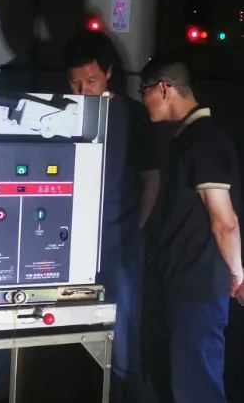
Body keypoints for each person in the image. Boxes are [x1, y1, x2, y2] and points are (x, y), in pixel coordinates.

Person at [139, 55, 244, 403]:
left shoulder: (204, 140)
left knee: (196, 388)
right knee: (180, 384)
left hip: (197, 289)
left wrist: (238, 274)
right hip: (181, 283)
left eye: (144, 91)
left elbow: (225, 222)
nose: (143, 100)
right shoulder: (186, 138)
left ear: (163, 89)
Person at [62, 30, 160, 403]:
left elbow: (151, 181)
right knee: (70, 331)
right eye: (75, 82)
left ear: (108, 73)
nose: (83, 90)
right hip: (68, 245)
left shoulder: (131, 115)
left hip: (120, 242)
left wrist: (134, 228)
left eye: (91, 80)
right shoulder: (59, 112)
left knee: (123, 334)